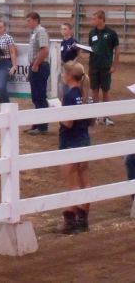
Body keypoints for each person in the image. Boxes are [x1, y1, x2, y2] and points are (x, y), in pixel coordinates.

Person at [58, 61, 92, 234]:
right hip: (84, 138)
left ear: (69, 76)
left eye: (64, 73)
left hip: (70, 141)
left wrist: (56, 113)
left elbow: (68, 123)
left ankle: (71, 220)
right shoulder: (87, 94)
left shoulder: (70, 95)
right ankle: (83, 218)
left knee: (71, 182)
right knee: (84, 180)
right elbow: (90, 120)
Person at [88, 10, 120, 126]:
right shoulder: (92, 33)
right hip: (93, 66)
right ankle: (96, 115)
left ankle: (107, 116)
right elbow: (91, 47)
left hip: (106, 66)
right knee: (94, 90)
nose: (92, 21)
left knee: (105, 91)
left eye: (94, 18)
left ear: (101, 19)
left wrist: (114, 65)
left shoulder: (111, 33)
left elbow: (117, 50)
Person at [25, 12, 51, 135]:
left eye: (29, 20)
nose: (27, 22)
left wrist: (35, 64)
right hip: (36, 66)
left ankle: (42, 126)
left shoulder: (41, 32)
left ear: (36, 20)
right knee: (36, 97)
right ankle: (37, 124)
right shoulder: (35, 32)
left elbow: (45, 50)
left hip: (40, 67)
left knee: (40, 96)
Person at [0, 19, 18, 110]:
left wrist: (14, 65)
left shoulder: (8, 38)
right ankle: (2, 108)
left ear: (4, 27)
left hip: (5, 63)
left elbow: (13, 52)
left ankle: (7, 108)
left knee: (1, 87)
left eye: (0, 27)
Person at [59, 22, 79, 97]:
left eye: (65, 29)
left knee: (71, 84)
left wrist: (74, 62)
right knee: (63, 85)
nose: (63, 31)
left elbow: (79, 52)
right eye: (62, 29)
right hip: (63, 67)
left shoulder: (73, 42)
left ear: (70, 30)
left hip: (71, 67)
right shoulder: (61, 42)